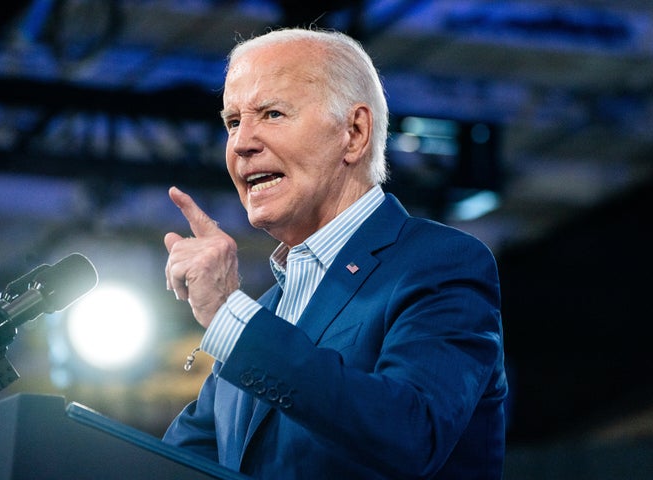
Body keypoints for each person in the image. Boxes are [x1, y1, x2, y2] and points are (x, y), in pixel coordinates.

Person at [161, 27, 507, 480]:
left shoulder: (440, 264)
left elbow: (412, 432)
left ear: (354, 132)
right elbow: (168, 466)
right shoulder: (263, 316)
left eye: (272, 114)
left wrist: (230, 317)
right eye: (232, 122)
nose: (241, 142)